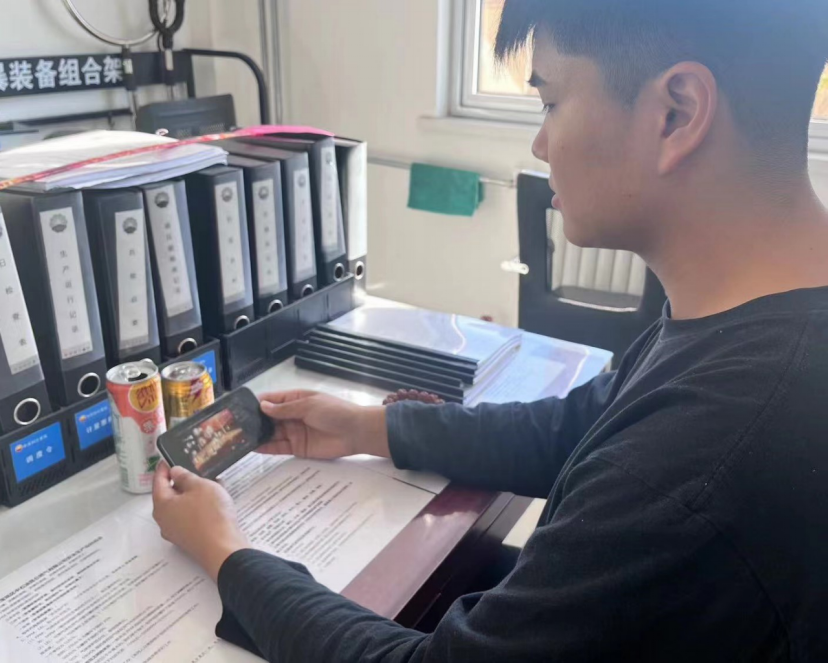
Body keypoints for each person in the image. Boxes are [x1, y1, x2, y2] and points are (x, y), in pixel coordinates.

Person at [152, 0, 828, 660]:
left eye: (551, 102)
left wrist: (226, 552)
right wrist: (369, 428)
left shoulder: (707, 452)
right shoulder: (752, 322)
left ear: (676, 112)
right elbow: (584, 425)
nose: (540, 143)